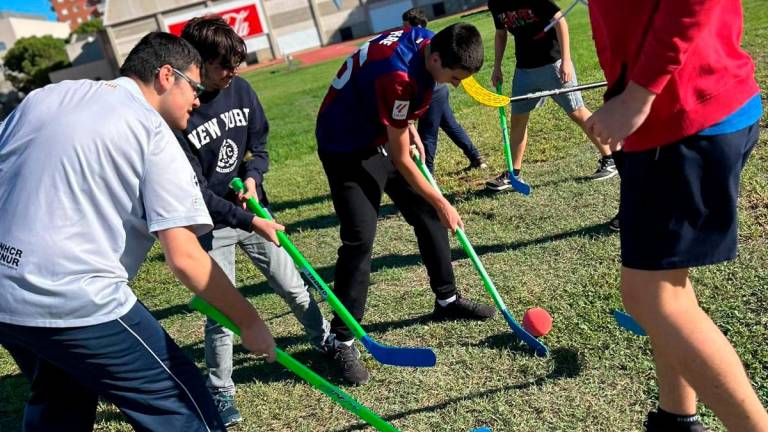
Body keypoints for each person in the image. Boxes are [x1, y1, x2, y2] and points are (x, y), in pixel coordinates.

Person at [0, 32, 280, 431]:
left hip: (6, 298)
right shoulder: (153, 133)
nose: (198, 100)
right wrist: (249, 322)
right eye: (195, 87)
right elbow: (184, 258)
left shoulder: (48, 96)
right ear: (168, 76)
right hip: (73, 298)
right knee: (183, 405)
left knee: (62, 391)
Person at [585, 1, 768, 430]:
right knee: (666, 286)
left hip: (682, 114)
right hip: (679, 111)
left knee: (652, 297)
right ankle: (677, 417)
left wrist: (638, 93)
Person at [315, 23, 496, 386]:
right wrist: (443, 200)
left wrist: (408, 125)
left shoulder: (423, 39)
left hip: (377, 130)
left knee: (425, 214)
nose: (455, 85)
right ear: (436, 57)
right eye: (455, 77)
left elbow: (400, 110)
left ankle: (446, 301)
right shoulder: (398, 76)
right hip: (347, 147)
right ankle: (342, 340)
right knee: (360, 239)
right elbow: (401, 159)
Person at [175, 16, 332, 426]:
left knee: (292, 286)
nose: (233, 74)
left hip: (251, 210)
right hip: (210, 226)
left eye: (236, 64)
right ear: (197, 64)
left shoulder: (240, 90)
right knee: (221, 314)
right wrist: (247, 221)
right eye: (223, 66)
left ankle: (325, 339)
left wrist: (253, 176)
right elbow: (197, 195)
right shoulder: (179, 115)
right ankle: (221, 390)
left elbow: (258, 144)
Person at [484, 0, 616, 192]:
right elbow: (501, 33)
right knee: (518, 121)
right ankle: (513, 173)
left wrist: (566, 61)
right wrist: (497, 66)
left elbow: (560, 20)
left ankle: (610, 158)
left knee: (577, 112)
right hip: (524, 70)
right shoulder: (495, 4)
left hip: (553, 64)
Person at [402, 7, 488, 173]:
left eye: (406, 26)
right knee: (450, 124)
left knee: (427, 134)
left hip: (434, 92)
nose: (404, 30)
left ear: (417, 25)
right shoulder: (432, 39)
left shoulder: (430, 43)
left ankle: (428, 174)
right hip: (439, 91)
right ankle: (476, 157)